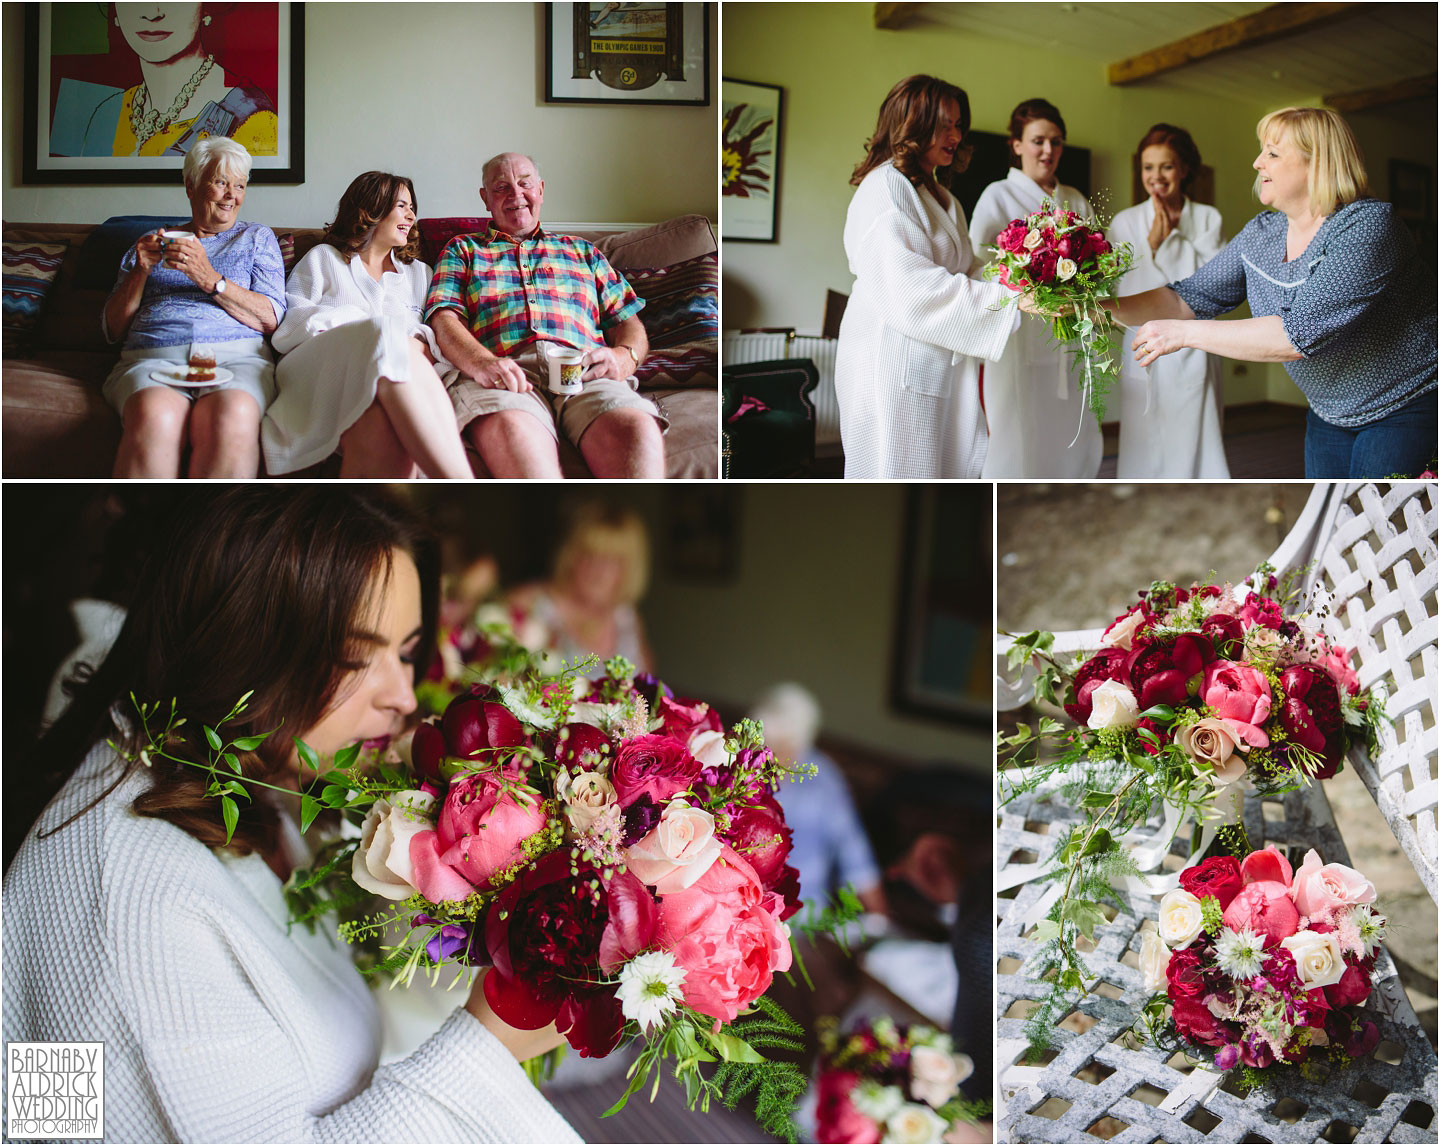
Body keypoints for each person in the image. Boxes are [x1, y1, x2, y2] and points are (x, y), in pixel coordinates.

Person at [3, 487, 578, 1142]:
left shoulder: (250, 794)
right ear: (242, 646)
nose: (402, 695)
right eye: (355, 657)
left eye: (407, 651)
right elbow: (50, 1117)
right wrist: (491, 1039)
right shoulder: (127, 900)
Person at [1108, 107, 1437, 478]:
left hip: (1405, 403)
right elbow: (1184, 298)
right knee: (1333, 516)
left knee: (1383, 521)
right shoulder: (1263, 232)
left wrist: (1182, 334)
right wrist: (1092, 307)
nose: (1256, 162)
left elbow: (1296, 335)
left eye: (1273, 153)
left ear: (1319, 164)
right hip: (1328, 410)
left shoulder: (1368, 226)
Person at [834, 75, 1045, 479]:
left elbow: (965, 269)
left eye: (958, 124)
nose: (955, 134)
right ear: (913, 124)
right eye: (944, 124)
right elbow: (909, 287)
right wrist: (1008, 299)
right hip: (892, 359)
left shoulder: (940, 195)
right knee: (895, 473)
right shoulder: (885, 188)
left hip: (928, 356)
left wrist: (1023, 275)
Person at [426, 153, 666, 479]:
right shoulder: (463, 250)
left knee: (636, 430)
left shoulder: (583, 252)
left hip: (584, 371)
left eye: (525, 184)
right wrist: (481, 362)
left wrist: (626, 357)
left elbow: (628, 322)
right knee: (514, 434)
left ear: (540, 189)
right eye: (501, 187)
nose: (516, 195)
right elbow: (444, 319)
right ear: (485, 198)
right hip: (504, 373)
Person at [262, 172, 471, 478]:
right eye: (402, 206)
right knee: (385, 332)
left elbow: (436, 343)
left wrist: (400, 340)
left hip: (388, 385)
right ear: (372, 208)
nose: (412, 215)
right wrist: (366, 330)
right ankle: (460, 485)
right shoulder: (324, 259)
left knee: (379, 426)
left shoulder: (419, 274)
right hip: (319, 373)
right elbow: (290, 329)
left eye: (412, 207)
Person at [102, 135, 285, 478]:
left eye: (240, 185)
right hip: (155, 355)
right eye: (220, 182)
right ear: (191, 186)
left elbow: (272, 318)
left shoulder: (257, 238)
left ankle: (215, 530)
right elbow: (112, 331)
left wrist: (210, 279)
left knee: (232, 415)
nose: (232, 195)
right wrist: (140, 272)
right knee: (154, 415)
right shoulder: (148, 245)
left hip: (237, 358)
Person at [970, 98, 1101, 479]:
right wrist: (1023, 282)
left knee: (1068, 425)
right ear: (1016, 144)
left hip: (1069, 334)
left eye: (1056, 142)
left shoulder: (1075, 199)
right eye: (1038, 140)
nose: (1048, 150)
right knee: (1020, 429)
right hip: (1018, 334)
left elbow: (1098, 260)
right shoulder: (997, 195)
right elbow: (978, 266)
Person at [1109, 124, 1229, 478]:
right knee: (1143, 439)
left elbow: (1216, 284)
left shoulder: (1208, 218)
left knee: (1194, 438)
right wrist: (1149, 246)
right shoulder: (1125, 222)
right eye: (1148, 167)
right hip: (1141, 344)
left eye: (1166, 166)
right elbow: (1121, 290)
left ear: (1184, 169)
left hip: (1193, 345)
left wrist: (1169, 243)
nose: (1156, 177)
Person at [54, 3, 278, 158]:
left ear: (206, 7)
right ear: (115, 12)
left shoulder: (252, 118)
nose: (153, 12)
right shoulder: (107, 112)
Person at [749, 683, 884, 914]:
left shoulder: (823, 781)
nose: (770, 757)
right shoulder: (740, 768)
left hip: (802, 916)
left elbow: (855, 855)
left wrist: (881, 919)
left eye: (781, 748)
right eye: (764, 745)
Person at [507, 503, 654, 671]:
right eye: (590, 555)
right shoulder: (527, 603)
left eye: (613, 561)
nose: (598, 572)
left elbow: (647, 687)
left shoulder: (627, 617)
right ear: (570, 556)